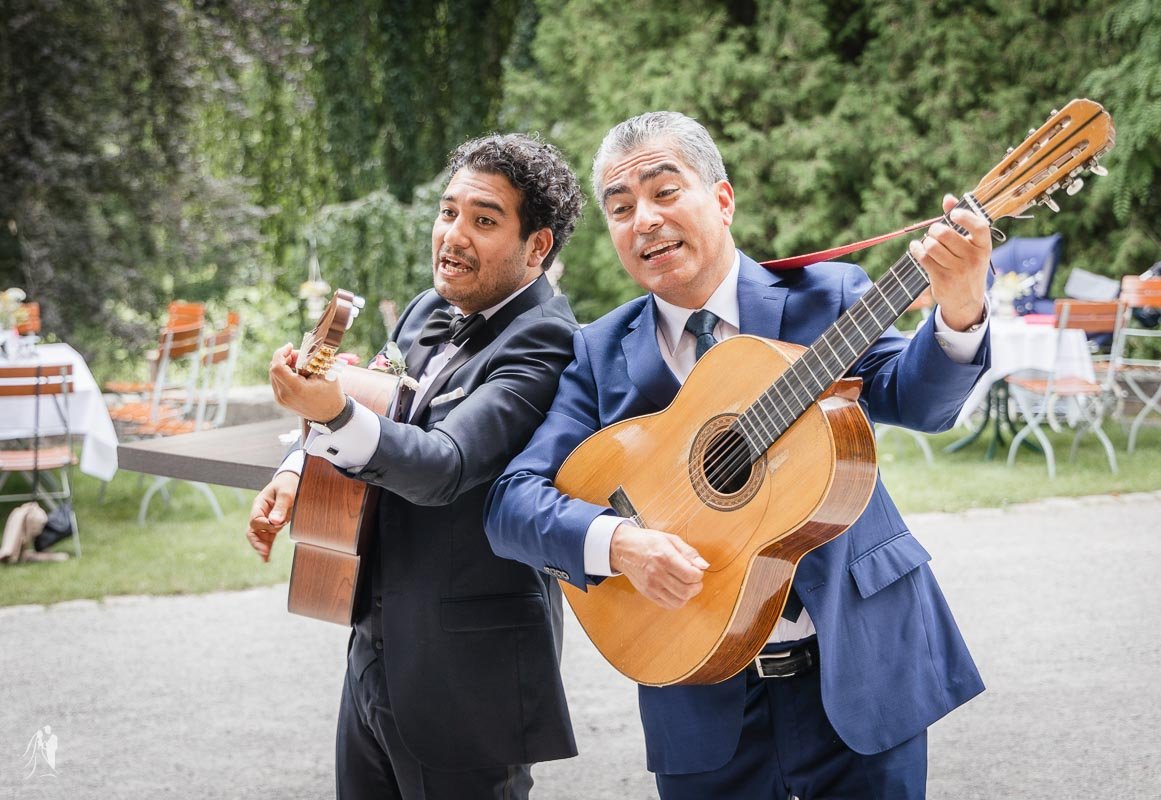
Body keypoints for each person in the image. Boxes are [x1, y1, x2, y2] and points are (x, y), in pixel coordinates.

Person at [484, 111, 993, 799]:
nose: (646, 221)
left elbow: (921, 401)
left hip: (861, 670)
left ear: (722, 200)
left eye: (666, 192)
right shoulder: (598, 351)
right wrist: (620, 544)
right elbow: (512, 503)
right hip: (699, 695)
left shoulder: (831, 300)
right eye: (622, 207)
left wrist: (960, 311)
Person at [246, 133, 585, 800]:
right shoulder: (432, 309)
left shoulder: (547, 340)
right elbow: (374, 408)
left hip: (465, 680)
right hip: (373, 651)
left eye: (484, 220)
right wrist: (296, 465)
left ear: (537, 246)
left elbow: (446, 465)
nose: (452, 235)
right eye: (447, 211)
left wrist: (334, 412)